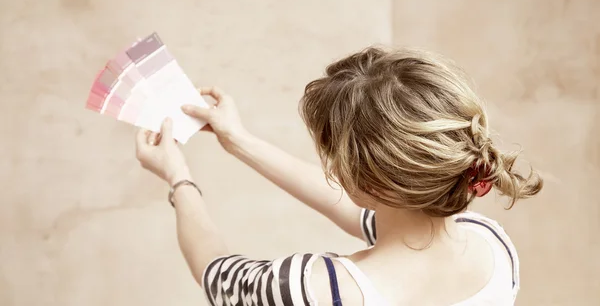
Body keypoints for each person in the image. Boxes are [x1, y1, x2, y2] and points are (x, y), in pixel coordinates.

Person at [134, 47, 543, 305]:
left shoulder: (314, 289)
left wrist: (178, 177)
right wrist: (239, 140)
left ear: (368, 185)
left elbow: (216, 274)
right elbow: (369, 213)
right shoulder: (493, 246)